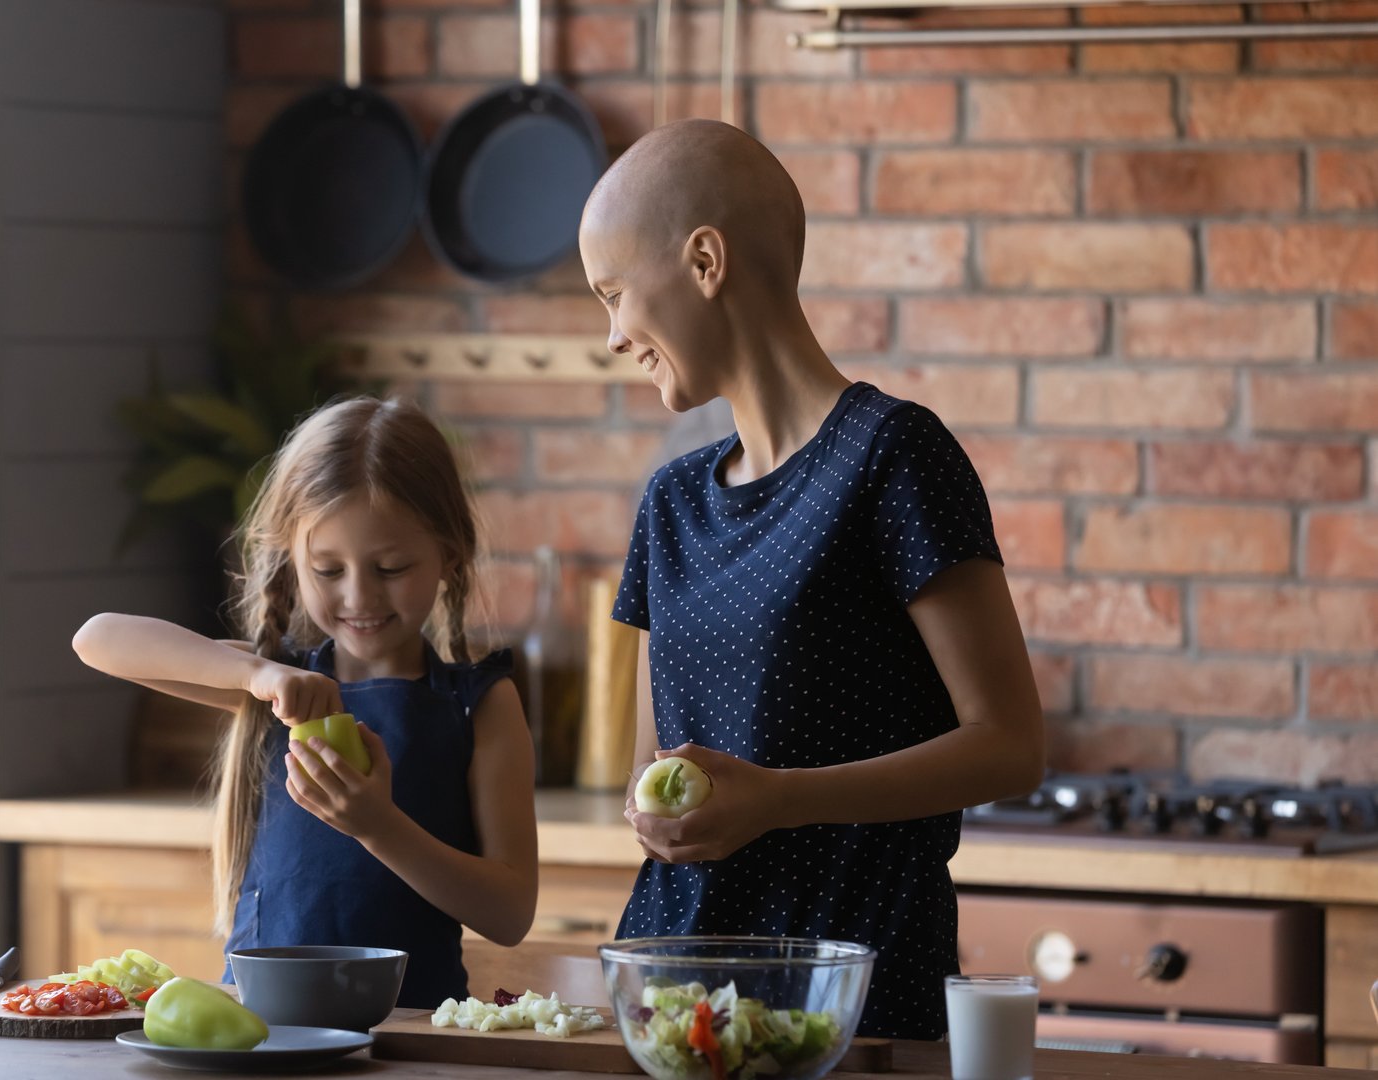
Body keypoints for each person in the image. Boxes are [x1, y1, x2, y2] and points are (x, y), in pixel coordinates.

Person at [579, 119, 1045, 1040]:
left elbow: (1010, 746)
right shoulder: (671, 501)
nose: (613, 334)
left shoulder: (894, 456)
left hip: (852, 999)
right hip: (680, 1001)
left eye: (615, 293)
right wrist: (658, 810)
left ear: (705, 260)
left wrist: (780, 799)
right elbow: (653, 776)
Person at [71, 397, 537, 1008]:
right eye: (327, 569)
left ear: (449, 555)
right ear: (292, 559)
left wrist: (378, 827)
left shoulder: (481, 703)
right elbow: (97, 639)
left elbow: (509, 913)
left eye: (391, 567)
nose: (359, 595)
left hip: (409, 1034)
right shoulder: (274, 684)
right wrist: (254, 673)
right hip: (260, 1029)